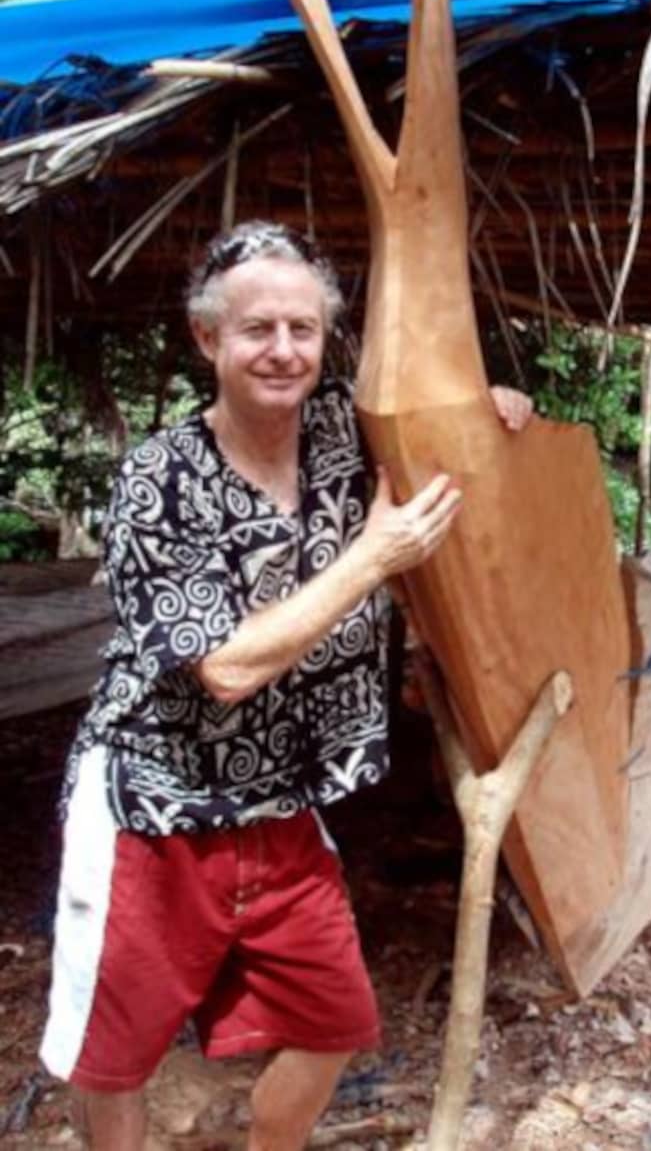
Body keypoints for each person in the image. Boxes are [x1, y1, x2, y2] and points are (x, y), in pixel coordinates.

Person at [40, 220, 534, 1151]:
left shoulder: (352, 435)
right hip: (154, 803)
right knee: (117, 1058)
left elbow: (452, 447)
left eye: (303, 329)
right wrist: (371, 557)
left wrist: (491, 414)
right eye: (257, 328)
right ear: (207, 340)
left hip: (279, 800)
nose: (283, 350)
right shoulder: (160, 480)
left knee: (333, 1023)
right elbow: (223, 667)